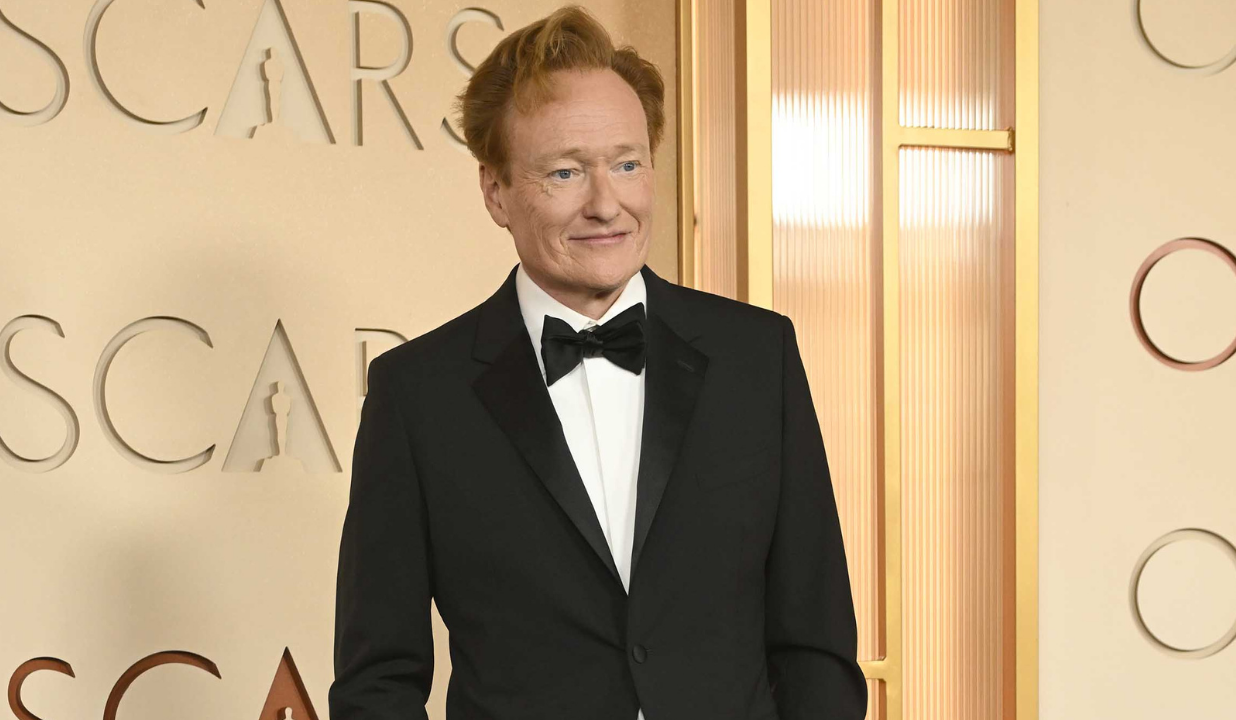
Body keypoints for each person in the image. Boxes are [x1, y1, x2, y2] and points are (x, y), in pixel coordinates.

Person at [328, 5, 867, 719]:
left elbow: (815, 643)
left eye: (627, 164)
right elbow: (376, 681)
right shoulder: (418, 394)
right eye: (564, 172)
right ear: (495, 192)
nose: (606, 205)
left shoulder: (757, 356)